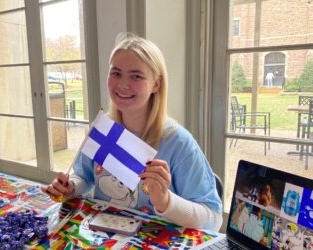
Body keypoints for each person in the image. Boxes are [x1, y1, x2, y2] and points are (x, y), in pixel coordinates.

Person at [41, 33, 223, 231]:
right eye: (116, 73)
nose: (122, 85)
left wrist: (165, 201)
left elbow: (213, 218)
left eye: (136, 76)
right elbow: (84, 176)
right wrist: (71, 188)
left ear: (156, 84)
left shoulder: (178, 143)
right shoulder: (104, 129)